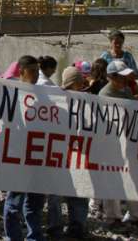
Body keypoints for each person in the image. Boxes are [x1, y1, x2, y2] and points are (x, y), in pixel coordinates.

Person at [98, 60, 138, 225]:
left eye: (125, 77)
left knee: (134, 178)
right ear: (111, 77)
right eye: (121, 77)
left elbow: (134, 114)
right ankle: (112, 216)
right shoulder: (105, 95)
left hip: (128, 143)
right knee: (112, 178)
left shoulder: (127, 90)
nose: (124, 80)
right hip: (112, 144)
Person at [3, 55, 46, 241]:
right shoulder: (11, 93)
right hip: (18, 155)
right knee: (14, 201)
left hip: (37, 154)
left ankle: (34, 236)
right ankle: (13, 237)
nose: (37, 74)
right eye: (33, 71)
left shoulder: (43, 94)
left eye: (38, 71)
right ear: (21, 72)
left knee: (35, 202)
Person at [46, 67, 90, 239]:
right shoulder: (56, 100)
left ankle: (76, 226)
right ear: (74, 82)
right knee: (56, 194)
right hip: (59, 152)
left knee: (79, 190)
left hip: (78, 153)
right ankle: (55, 228)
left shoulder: (85, 101)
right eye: (79, 82)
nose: (82, 85)